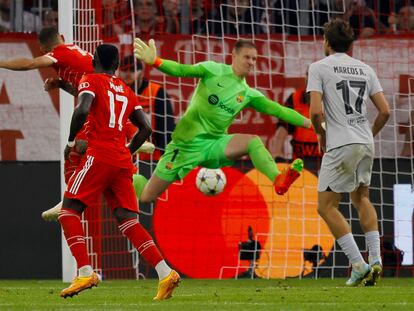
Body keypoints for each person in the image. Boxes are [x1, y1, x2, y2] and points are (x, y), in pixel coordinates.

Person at [58, 44, 180, 300]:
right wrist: (128, 150)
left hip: (99, 155)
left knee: (69, 210)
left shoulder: (89, 79)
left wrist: (70, 143)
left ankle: (84, 271)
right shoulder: (125, 89)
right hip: (122, 160)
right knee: (128, 221)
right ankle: (165, 272)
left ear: (94, 62)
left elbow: (82, 109)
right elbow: (145, 128)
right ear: (115, 66)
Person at [132, 38, 311, 204]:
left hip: (214, 145)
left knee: (253, 141)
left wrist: (311, 124)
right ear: (233, 56)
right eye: (247, 57)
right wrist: (155, 61)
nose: (251, 62)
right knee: (147, 197)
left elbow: (279, 110)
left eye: (255, 59)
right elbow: (180, 70)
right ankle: (132, 177)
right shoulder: (212, 70)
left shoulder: (248, 94)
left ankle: (278, 179)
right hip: (184, 147)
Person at [307, 18, 390, 286]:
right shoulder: (365, 69)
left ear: (327, 42)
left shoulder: (319, 67)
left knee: (326, 206)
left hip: (341, 143)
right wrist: (368, 135)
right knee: (362, 198)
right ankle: (376, 260)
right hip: (365, 142)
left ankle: (358, 263)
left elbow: (315, 112)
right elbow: (385, 111)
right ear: (350, 44)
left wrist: (321, 135)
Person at [120, 55, 175, 159]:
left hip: (150, 157)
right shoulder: (118, 91)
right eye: (124, 70)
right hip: (124, 154)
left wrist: (165, 156)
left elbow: (166, 127)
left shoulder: (156, 92)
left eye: (132, 69)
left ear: (141, 72)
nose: (128, 73)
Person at [274, 69, 321, 173]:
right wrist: (277, 154)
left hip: (326, 164)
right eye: (308, 77)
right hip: (300, 164)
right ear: (305, 80)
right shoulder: (294, 99)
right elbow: (282, 128)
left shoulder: (332, 102)